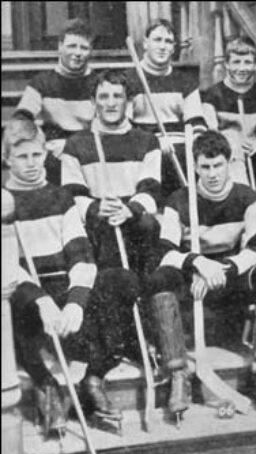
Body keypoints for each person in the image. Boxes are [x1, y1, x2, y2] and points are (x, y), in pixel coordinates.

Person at [4, 118, 141, 435]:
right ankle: (46, 385)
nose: (31, 164)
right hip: (25, 291)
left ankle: (93, 379)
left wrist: (75, 304)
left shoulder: (60, 198)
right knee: (13, 306)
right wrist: (43, 302)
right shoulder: (3, 200)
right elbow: (8, 265)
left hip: (63, 285)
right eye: (22, 157)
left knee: (120, 281)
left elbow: (81, 255)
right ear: (7, 159)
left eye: (37, 155)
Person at [148, 130, 256, 421]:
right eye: (205, 167)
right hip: (194, 276)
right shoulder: (179, 200)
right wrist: (199, 263)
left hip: (229, 274)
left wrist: (224, 267)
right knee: (161, 278)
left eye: (218, 165)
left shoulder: (245, 196)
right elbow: (164, 251)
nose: (212, 174)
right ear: (195, 167)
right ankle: (178, 374)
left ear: (229, 163)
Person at [61, 69, 162, 294]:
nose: (111, 103)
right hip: (97, 220)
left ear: (128, 101)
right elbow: (71, 194)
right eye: (103, 97)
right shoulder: (77, 144)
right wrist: (97, 208)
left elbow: (152, 190)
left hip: (132, 217)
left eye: (118, 96)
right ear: (92, 101)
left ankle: (145, 299)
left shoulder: (147, 141)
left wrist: (129, 210)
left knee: (148, 225)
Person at [125, 18, 207, 200]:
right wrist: (154, 143)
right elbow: (125, 125)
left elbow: (196, 123)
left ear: (174, 48)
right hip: (143, 144)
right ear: (146, 44)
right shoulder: (128, 80)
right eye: (157, 40)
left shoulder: (185, 82)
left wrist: (194, 144)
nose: (163, 46)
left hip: (179, 145)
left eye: (168, 42)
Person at [200, 36, 256, 209]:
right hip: (227, 159)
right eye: (236, 62)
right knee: (232, 138)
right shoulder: (212, 95)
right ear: (227, 64)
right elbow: (211, 133)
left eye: (248, 62)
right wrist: (231, 142)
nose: (242, 68)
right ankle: (242, 202)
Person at [14, 18, 97, 165]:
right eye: (72, 46)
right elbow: (22, 118)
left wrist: (71, 146)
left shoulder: (100, 83)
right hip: (54, 151)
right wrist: (40, 142)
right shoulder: (41, 83)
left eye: (83, 48)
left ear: (90, 51)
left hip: (89, 150)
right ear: (60, 46)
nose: (77, 53)